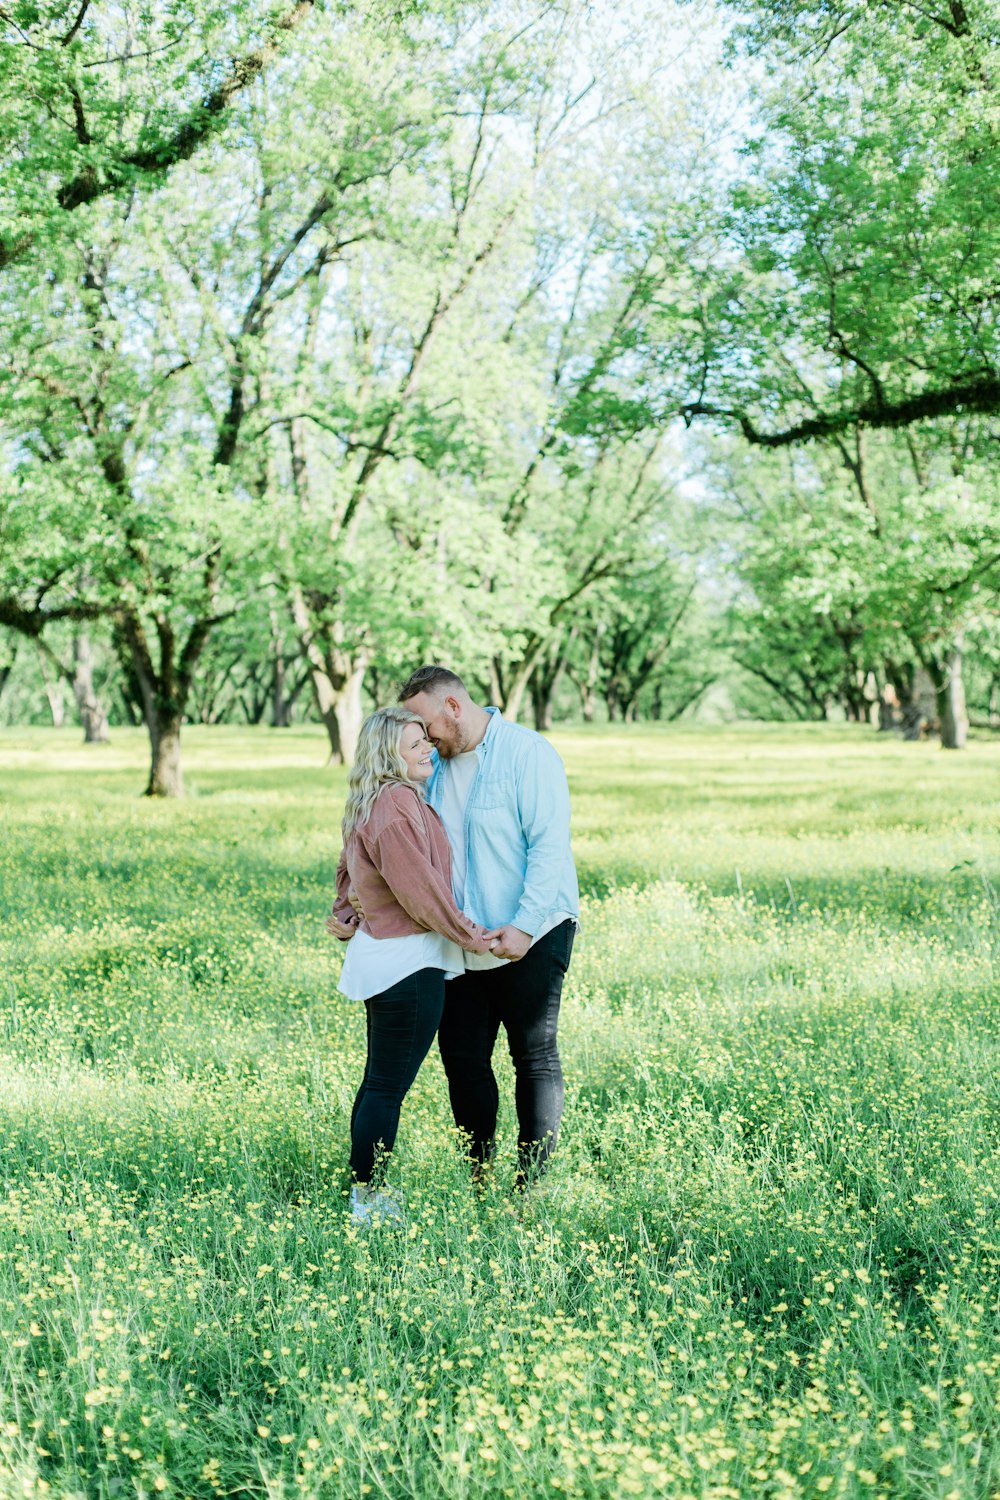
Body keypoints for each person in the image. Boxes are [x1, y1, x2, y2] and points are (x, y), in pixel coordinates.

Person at [398, 665, 579, 1187]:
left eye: (426, 726)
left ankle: (531, 1184)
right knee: (462, 1058)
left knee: (533, 1055)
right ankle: (478, 1176)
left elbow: (549, 847)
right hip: (458, 940)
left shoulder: (528, 753)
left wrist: (523, 927)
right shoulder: (431, 769)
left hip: (535, 930)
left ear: (453, 707)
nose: (424, 740)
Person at [326, 705, 500, 1224]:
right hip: (409, 962)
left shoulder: (373, 802)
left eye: (425, 739)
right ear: (388, 756)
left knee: (377, 1080)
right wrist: (474, 938)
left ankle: (363, 1193)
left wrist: (345, 912)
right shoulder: (398, 804)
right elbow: (421, 892)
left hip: (386, 957)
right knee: (385, 1086)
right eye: (414, 744)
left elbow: (347, 870)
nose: (428, 748)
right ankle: (369, 1201)